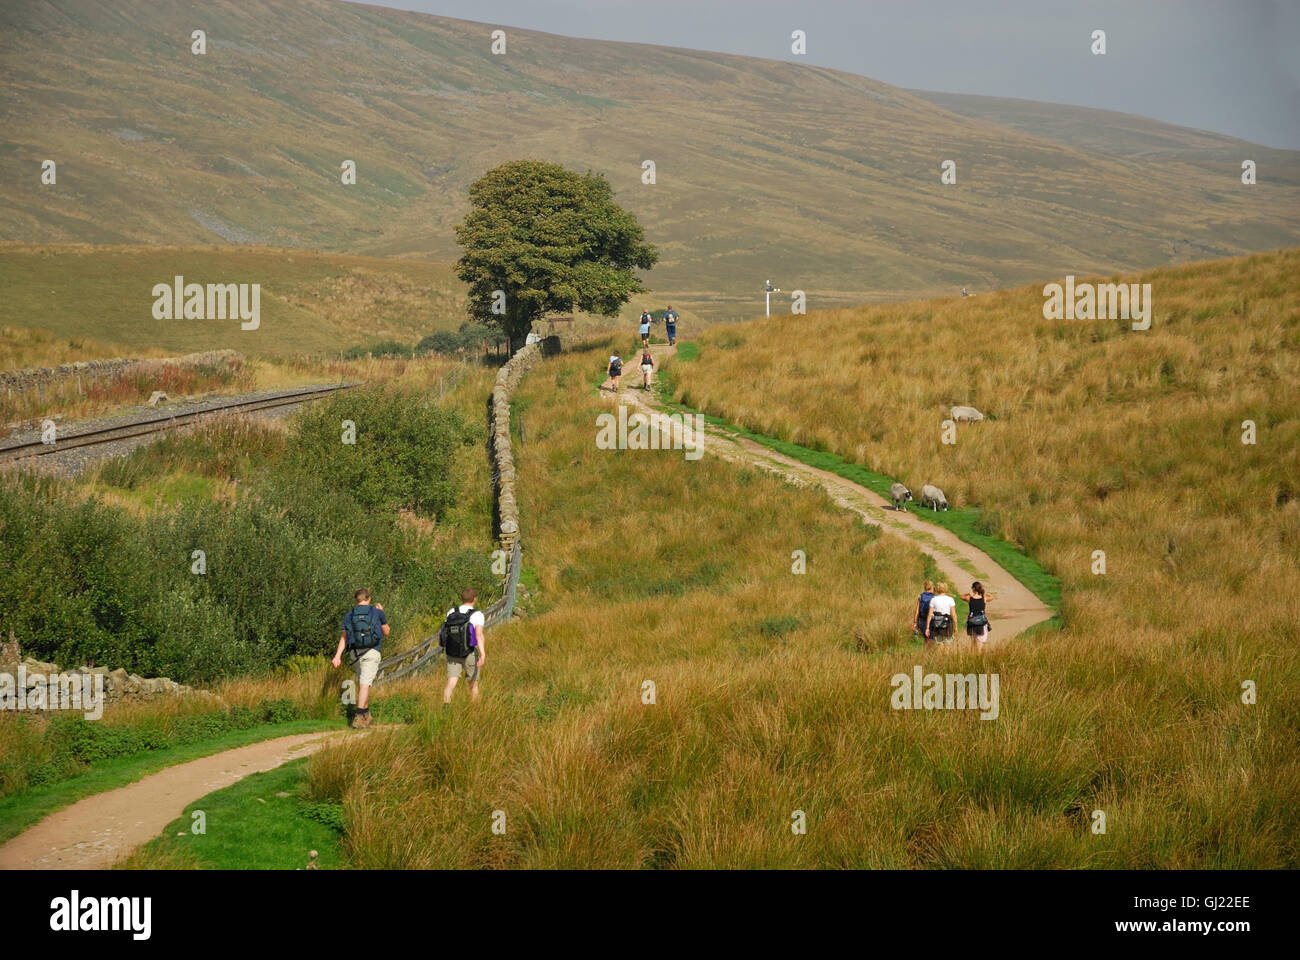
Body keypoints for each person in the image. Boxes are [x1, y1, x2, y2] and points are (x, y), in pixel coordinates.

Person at [332, 588, 390, 729]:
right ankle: (358, 716)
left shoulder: (350, 614)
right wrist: (382, 612)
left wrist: (337, 656)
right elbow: (386, 632)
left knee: (364, 684)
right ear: (369, 598)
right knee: (365, 685)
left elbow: (344, 637)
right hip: (372, 652)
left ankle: (366, 715)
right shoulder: (377, 612)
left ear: (356, 600)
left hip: (355, 653)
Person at [441, 587, 487, 705]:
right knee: (473, 684)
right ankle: (475, 710)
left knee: (451, 682)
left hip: (452, 652)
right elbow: (479, 635)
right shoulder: (477, 614)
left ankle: (446, 707)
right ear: (474, 599)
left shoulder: (451, 612)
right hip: (469, 652)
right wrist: (482, 654)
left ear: (462, 598)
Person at [960, 581, 994, 649]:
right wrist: (984, 593)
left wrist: (969, 593)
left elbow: (961, 596)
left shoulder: (969, 598)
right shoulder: (984, 598)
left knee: (973, 643)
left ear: (973, 589)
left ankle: (972, 657)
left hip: (972, 622)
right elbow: (992, 597)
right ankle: (978, 658)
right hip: (981, 622)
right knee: (979, 645)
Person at [924, 583, 957, 647]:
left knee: (940, 645)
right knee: (947, 646)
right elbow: (954, 615)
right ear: (946, 588)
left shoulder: (933, 600)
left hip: (937, 625)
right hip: (948, 625)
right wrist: (956, 626)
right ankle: (946, 657)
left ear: (937, 589)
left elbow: (929, 615)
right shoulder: (950, 599)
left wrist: (927, 628)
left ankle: (940, 657)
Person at [913, 580, 935, 648]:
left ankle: (925, 654)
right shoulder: (934, 597)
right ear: (932, 587)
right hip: (931, 620)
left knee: (926, 639)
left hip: (922, 620)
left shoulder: (920, 596)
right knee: (931, 639)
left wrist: (915, 622)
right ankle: (929, 655)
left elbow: (917, 611)